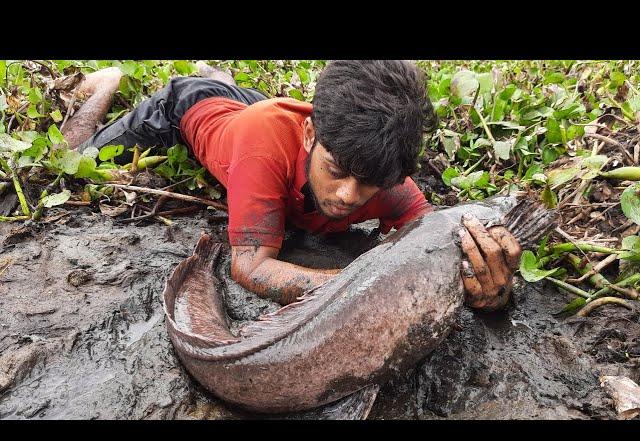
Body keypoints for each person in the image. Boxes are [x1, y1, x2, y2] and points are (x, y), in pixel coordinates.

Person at [61, 60, 521, 309]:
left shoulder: (388, 180)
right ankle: (108, 80)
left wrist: (492, 284)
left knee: (248, 105)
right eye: (337, 171)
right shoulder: (266, 148)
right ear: (310, 136)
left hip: (259, 112)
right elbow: (252, 266)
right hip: (186, 112)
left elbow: (441, 243)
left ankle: (223, 77)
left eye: (370, 185)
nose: (347, 196)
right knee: (73, 161)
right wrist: (365, 287)